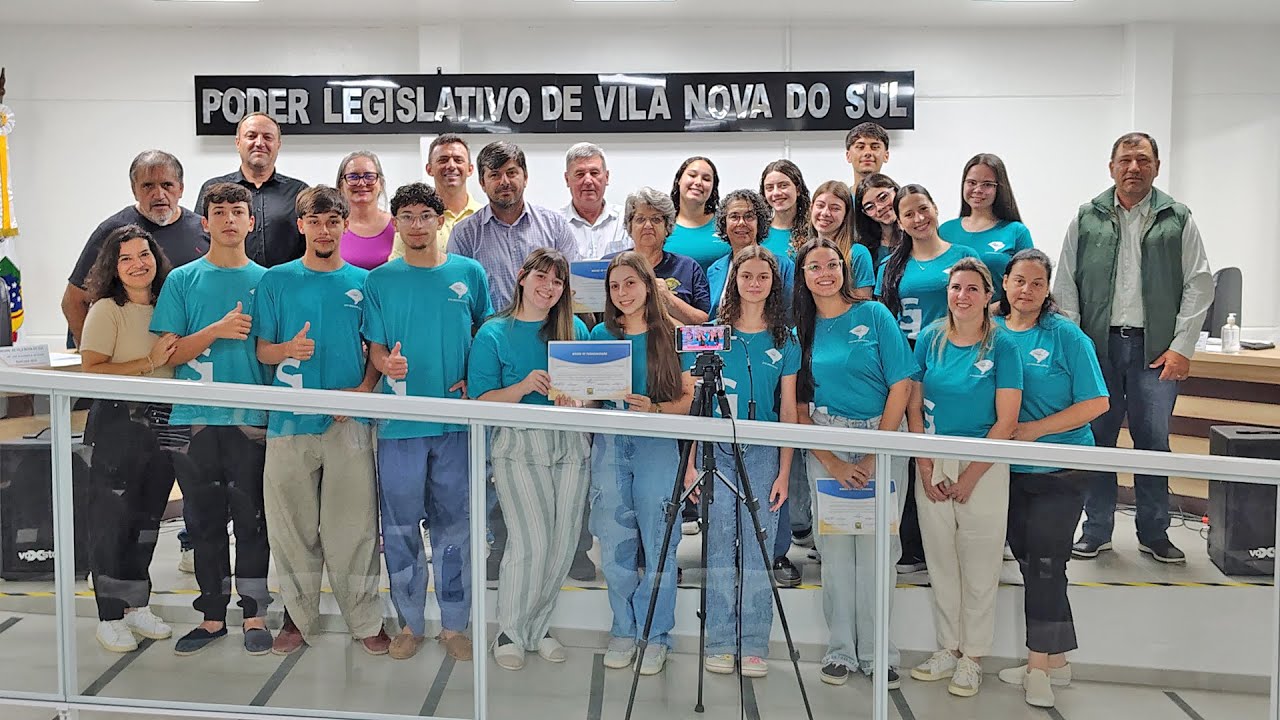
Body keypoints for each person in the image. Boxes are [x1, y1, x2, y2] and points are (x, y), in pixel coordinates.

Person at [1054, 132, 1213, 564]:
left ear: (1157, 167)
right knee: (1097, 439)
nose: (1133, 168)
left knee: (1153, 443)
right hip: (1098, 347)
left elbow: (1199, 283)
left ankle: (1154, 532)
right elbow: (1064, 283)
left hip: (1154, 351)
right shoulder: (1086, 217)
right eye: (1125, 160)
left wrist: (1182, 347)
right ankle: (1097, 530)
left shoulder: (1176, 217)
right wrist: (1075, 345)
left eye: (1142, 159)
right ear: (1111, 167)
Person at [252, 185, 390, 657]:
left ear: (345, 225)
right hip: (289, 423)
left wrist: (364, 392)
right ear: (301, 225)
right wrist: (287, 350)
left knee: (353, 527)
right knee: (291, 527)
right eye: (316, 221)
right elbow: (262, 351)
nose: (325, 230)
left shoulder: (364, 283)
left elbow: (376, 348)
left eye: (334, 221)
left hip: (346, 422)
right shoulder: (276, 282)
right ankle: (297, 617)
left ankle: (364, 619)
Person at [364, 182, 492, 662]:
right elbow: (375, 347)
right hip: (400, 423)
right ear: (395, 222)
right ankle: (410, 622)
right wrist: (385, 364)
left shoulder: (470, 273)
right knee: (399, 529)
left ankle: (455, 624)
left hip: (456, 424)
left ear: (441, 221)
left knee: (454, 526)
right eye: (407, 216)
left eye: (425, 215)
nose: (417, 224)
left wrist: (473, 379)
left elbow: (488, 333)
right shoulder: (380, 280)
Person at [150, 182, 273, 656]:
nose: (227, 219)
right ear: (204, 223)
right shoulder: (182, 281)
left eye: (236, 211)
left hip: (250, 417)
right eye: (217, 211)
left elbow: (273, 352)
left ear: (250, 221)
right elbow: (169, 352)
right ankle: (212, 616)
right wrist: (217, 331)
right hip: (189, 418)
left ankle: (256, 611)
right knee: (202, 522)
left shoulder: (269, 281)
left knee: (252, 521)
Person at [792, 237, 916, 689]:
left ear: (845, 270)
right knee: (837, 552)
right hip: (825, 443)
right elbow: (799, 405)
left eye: (832, 265)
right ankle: (841, 650)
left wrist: (871, 452)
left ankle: (880, 653)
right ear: (802, 277)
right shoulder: (799, 330)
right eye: (813, 267)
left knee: (880, 552)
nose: (824, 274)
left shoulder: (874, 314)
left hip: (879, 440)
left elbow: (901, 384)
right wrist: (833, 461)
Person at [994, 249, 1109, 709]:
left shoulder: (1066, 337)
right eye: (1019, 281)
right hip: (1011, 470)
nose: (1026, 291)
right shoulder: (993, 331)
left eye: (1037, 283)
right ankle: (1056, 660)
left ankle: (1037, 667)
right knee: (1031, 561)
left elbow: (1096, 403)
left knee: (1045, 563)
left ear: (1048, 290)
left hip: (1061, 468)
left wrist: (1035, 431)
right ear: (1005, 283)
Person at [468, 248, 591, 671]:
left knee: (561, 544)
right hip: (518, 446)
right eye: (541, 277)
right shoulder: (493, 333)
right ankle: (509, 631)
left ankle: (537, 628)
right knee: (531, 541)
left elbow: (592, 395)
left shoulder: (574, 328)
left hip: (571, 446)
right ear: (522, 277)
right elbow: (480, 399)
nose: (548, 288)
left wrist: (583, 400)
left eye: (557, 282)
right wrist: (521, 387)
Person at [907, 258, 1022, 698]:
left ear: (989, 296)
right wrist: (923, 462)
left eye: (973, 289)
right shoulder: (931, 338)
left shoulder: (1003, 346)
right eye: (956, 288)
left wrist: (972, 475)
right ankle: (947, 649)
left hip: (985, 463)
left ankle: (973, 657)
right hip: (934, 460)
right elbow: (914, 402)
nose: (963, 296)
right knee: (941, 561)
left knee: (979, 565)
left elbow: (1007, 419)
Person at [690, 244, 796, 679]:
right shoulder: (712, 332)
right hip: (718, 449)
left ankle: (753, 642)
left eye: (763, 277)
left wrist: (786, 471)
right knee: (718, 546)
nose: (754, 284)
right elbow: (697, 400)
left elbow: (789, 408)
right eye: (746, 275)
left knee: (758, 549)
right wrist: (694, 460)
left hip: (765, 450)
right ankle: (718, 639)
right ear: (733, 280)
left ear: (774, 284)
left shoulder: (785, 338)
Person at [590, 251, 693, 676]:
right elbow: (589, 394)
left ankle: (657, 635)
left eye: (630, 283)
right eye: (614, 286)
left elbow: (689, 402)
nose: (622, 293)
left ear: (649, 285)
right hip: (611, 447)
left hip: (657, 445)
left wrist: (655, 411)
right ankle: (624, 629)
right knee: (615, 545)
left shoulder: (673, 334)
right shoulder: (599, 335)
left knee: (660, 544)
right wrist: (573, 395)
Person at [79, 225, 179, 653]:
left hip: (162, 425)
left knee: (146, 520)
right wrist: (148, 362)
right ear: (113, 268)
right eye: (126, 259)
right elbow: (92, 369)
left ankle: (137, 606)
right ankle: (109, 615)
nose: (138, 264)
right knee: (111, 523)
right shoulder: (106, 309)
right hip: (117, 425)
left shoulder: (168, 304)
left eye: (144, 255)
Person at [63, 150, 209, 347]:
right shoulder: (112, 231)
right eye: (148, 185)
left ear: (181, 188)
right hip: (124, 356)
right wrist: (90, 355)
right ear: (134, 190)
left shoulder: (204, 230)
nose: (159, 194)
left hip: (184, 353)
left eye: (167, 185)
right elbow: (73, 300)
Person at [450, 140, 579, 313]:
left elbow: (572, 287)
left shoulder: (555, 226)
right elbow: (458, 296)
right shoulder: (464, 234)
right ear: (482, 183)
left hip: (548, 333)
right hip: (489, 335)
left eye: (511, 173)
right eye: (495, 175)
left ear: (525, 177)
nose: (504, 181)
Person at [194, 112, 307, 268]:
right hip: (228, 285)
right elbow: (200, 242)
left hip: (286, 287)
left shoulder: (299, 192)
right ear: (238, 143)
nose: (259, 143)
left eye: (268, 137)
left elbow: (309, 245)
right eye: (251, 136)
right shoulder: (213, 189)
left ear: (278, 145)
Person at [877, 185, 982, 341]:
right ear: (899, 222)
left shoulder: (965, 256)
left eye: (923, 209)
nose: (919, 218)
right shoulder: (888, 266)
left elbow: (982, 308)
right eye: (909, 214)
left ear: (935, 208)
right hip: (908, 355)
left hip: (954, 351)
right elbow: (883, 323)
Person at [607, 187, 710, 326]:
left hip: (673, 345)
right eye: (640, 219)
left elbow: (704, 323)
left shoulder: (687, 267)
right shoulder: (610, 264)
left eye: (656, 219)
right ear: (629, 227)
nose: (648, 225)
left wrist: (668, 299)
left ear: (667, 227)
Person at [938, 154, 1034, 300]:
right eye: (972, 182)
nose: (978, 189)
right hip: (951, 318)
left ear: (1000, 188)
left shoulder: (1016, 232)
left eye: (987, 184)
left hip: (999, 319)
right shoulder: (945, 231)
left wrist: (994, 310)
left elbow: (1028, 284)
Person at [705, 189, 795, 317]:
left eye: (749, 216)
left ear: (760, 222)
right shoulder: (714, 270)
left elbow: (791, 316)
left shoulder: (783, 266)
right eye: (734, 217)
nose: (741, 223)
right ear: (724, 224)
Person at [390, 134, 482, 258]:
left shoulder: (485, 217)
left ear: (470, 169)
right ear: (429, 169)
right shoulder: (413, 221)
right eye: (443, 160)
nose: (451, 166)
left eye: (458, 160)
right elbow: (398, 269)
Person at [560, 142, 630, 259]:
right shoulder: (556, 224)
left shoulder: (626, 219)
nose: (588, 180)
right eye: (580, 174)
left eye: (594, 173)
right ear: (567, 179)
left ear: (606, 177)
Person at [809, 181, 875, 299]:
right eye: (820, 205)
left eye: (835, 208)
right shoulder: (805, 254)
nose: (825, 213)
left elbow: (864, 307)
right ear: (811, 208)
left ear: (846, 214)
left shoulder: (857, 254)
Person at [335, 150, 395, 269]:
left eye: (369, 176)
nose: (362, 183)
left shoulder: (398, 226)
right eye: (353, 177)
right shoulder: (331, 227)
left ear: (381, 183)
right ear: (341, 185)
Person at [664, 156, 724, 271]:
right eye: (692, 175)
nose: (698, 182)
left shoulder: (725, 224)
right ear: (679, 180)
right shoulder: (661, 225)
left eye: (706, 179)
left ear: (713, 188)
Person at [760, 159, 812, 259]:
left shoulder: (814, 231)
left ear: (798, 189)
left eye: (783, 186)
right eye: (769, 188)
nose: (776, 193)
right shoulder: (758, 232)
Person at [853, 173, 902, 268]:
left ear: (895, 191)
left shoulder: (918, 233)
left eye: (883, 197)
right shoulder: (865, 250)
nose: (879, 208)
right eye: (870, 207)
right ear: (865, 213)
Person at [845, 122, 891, 190]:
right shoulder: (840, 200)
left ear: (886, 156)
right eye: (860, 147)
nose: (867, 152)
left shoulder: (897, 199)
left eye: (875, 147)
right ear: (848, 156)